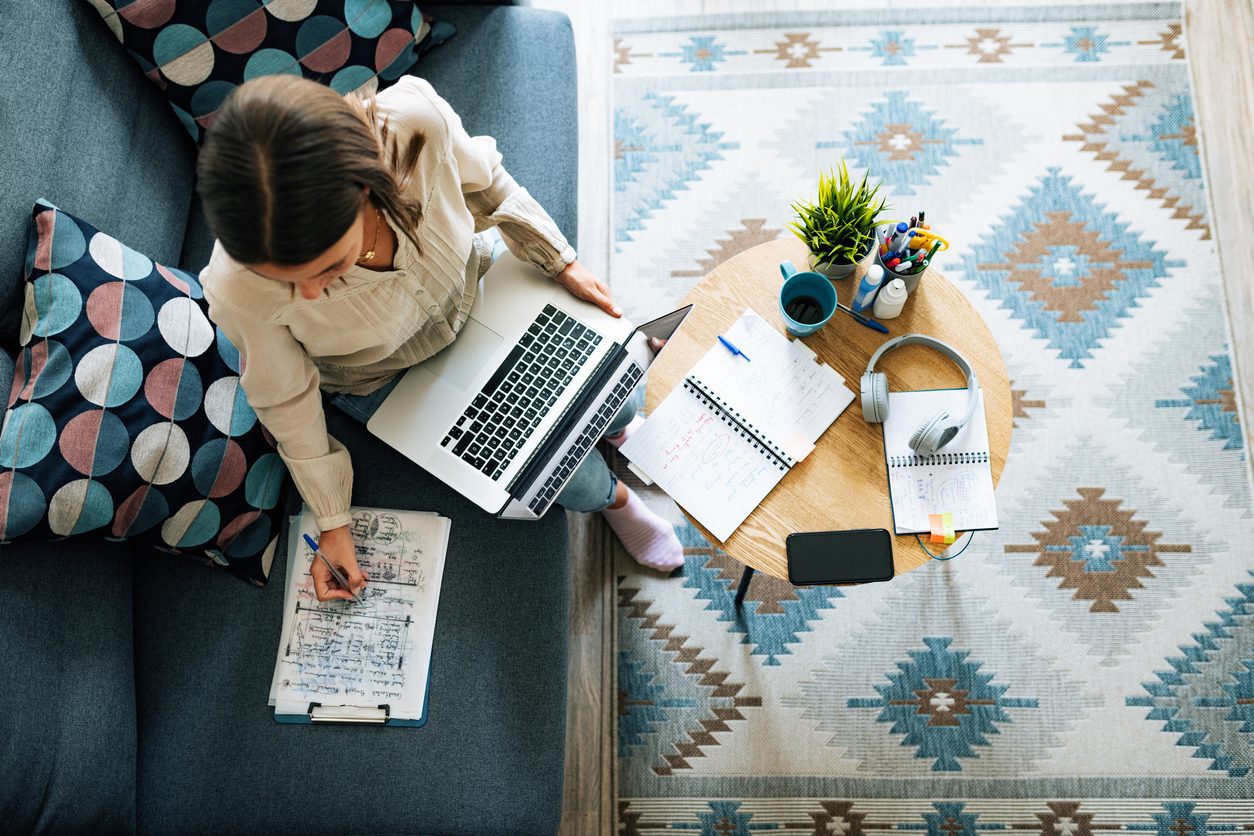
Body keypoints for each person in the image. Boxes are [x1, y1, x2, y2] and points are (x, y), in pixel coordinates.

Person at [197, 75, 683, 601]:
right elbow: (286, 397)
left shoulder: (415, 122)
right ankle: (617, 503)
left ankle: (614, 432)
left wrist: (561, 262)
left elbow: (489, 183)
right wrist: (332, 519)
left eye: (330, 268)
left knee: (625, 399)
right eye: (286, 279)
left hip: (480, 292)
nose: (309, 297)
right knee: (574, 483)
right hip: (384, 378)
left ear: (366, 187)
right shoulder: (235, 290)